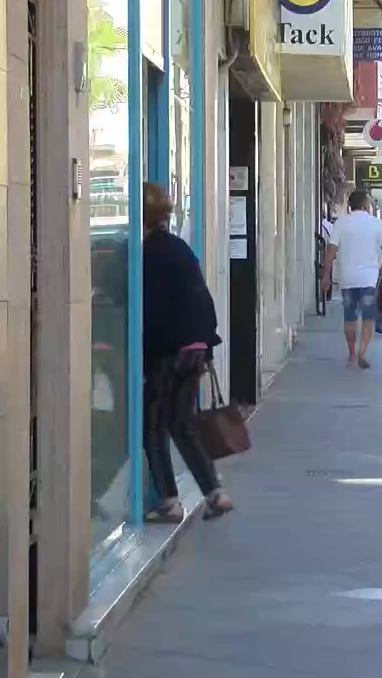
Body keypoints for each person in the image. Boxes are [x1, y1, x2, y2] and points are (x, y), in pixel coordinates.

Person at [142, 181, 234, 522]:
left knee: (152, 425)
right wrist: (206, 342)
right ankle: (215, 492)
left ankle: (168, 500)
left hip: (168, 351)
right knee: (183, 424)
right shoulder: (180, 248)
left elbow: (149, 312)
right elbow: (201, 298)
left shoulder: (148, 255)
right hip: (195, 348)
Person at [321, 190, 382, 369]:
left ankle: (351, 353)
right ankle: (362, 351)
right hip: (369, 278)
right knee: (368, 318)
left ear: (350, 205)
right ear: (366, 205)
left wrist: (326, 275)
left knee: (350, 317)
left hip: (347, 277)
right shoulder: (377, 224)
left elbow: (330, 251)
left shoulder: (341, 224)